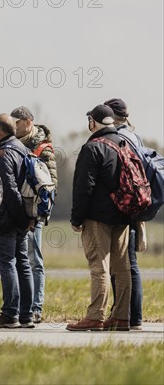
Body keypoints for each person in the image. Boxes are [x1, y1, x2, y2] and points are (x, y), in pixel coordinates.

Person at [67, 104, 131, 332]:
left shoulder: (93, 147)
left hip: (98, 217)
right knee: (122, 268)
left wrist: (76, 218)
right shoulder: (124, 143)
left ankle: (95, 316)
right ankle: (121, 317)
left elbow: (84, 187)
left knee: (99, 267)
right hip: (123, 215)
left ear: (93, 122)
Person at [11, 106, 58, 324]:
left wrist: (38, 214)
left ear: (28, 122)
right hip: (17, 211)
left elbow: (49, 185)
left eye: (17, 122)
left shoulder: (42, 148)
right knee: (18, 260)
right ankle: (21, 306)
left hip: (34, 214)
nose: (14, 126)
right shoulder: (14, 144)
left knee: (33, 260)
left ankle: (35, 307)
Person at [0, 114, 34, 328]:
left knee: (7, 265)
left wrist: (19, 218)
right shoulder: (22, 149)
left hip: (6, 219)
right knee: (23, 264)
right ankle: (27, 314)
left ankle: (10, 314)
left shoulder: (2, 153)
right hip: (22, 218)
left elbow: (8, 190)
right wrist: (25, 219)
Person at [104, 98, 143, 331]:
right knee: (130, 263)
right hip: (135, 204)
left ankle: (126, 314)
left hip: (123, 205)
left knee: (124, 264)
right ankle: (132, 315)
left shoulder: (120, 138)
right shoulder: (134, 135)